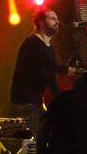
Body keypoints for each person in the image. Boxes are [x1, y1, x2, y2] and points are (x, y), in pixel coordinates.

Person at [10, 9, 71, 137]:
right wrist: (72, 70)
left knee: (46, 131)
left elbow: (51, 77)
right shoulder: (32, 43)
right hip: (25, 99)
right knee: (41, 135)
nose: (57, 22)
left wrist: (60, 99)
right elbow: (51, 66)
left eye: (57, 19)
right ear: (42, 22)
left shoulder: (48, 47)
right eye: (53, 19)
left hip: (34, 100)